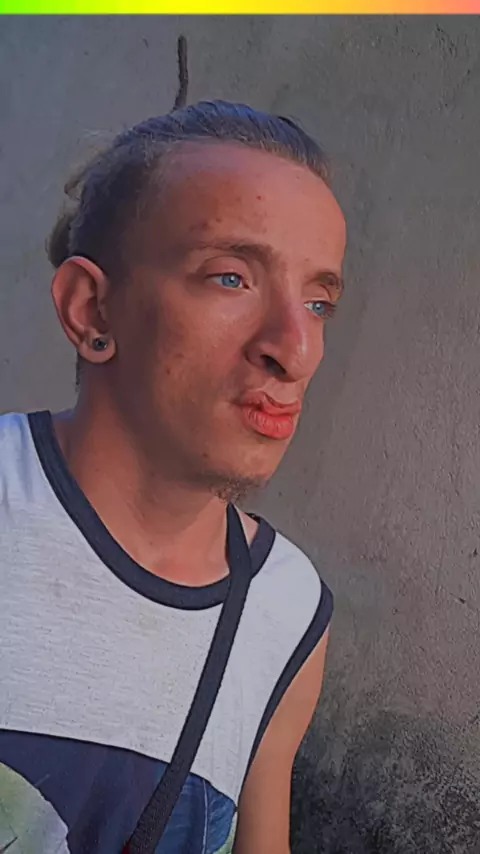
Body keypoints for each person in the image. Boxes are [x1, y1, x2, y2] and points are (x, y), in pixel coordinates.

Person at [0, 37, 346, 854]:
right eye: (231, 277)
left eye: (319, 301)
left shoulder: (288, 610)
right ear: (92, 311)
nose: (295, 349)